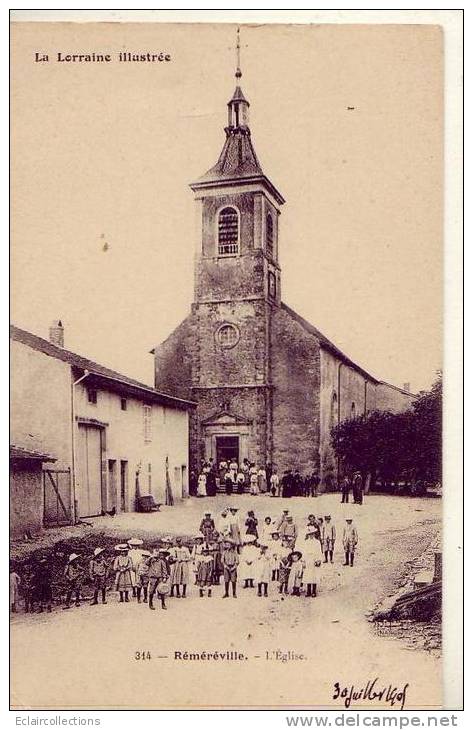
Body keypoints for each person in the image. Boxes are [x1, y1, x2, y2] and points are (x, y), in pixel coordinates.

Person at [303, 527, 323, 597]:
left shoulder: (317, 542)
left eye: (312, 534)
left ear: (314, 534)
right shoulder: (306, 542)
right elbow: (304, 552)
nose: (311, 535)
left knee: (314, 575)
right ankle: (308, 591)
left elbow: (319, 551)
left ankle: (314, 591)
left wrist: (318, 560)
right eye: (309, 534)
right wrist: (304, 561)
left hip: (314, 559)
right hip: (308, 559)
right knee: (308, 575)